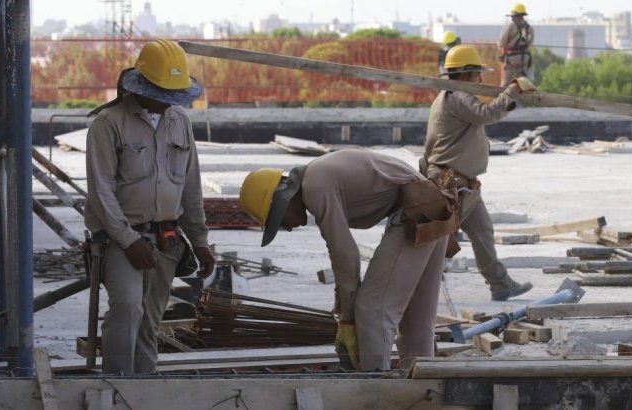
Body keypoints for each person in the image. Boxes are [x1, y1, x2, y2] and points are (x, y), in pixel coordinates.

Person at [239, 150, 459, 371]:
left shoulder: (316, 188)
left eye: (279, 221)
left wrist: (347, 319)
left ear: (283, 202)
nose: (286, 228)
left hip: (417, 212)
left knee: (373, 309)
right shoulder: (317, 175)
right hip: (433, 208)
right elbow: (343, 260)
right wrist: (343, 309)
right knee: (416, 322)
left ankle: (375, 390)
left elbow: (345, 255)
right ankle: (425, 389)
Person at [85, 39, 215, 375]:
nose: (168, 102)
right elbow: (101, 192)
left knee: (149, 322)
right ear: (141, 85)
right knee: (127, 309)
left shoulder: (180, 122)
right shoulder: (108, 124)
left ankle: (143, 388)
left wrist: (200, 241)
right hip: (120, 239)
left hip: (166, 240)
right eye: (162, 93)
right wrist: (129, 241)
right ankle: (116, 388)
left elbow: (190, 187)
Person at [422, 45, 536, 301]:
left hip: (463, 184)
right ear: (464, 74)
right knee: (437, 241)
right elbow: (488, 114)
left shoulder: (446, 96)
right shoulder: (458, 96)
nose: (480, 80)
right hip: (453, 184)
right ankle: (417, 287)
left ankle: (500, 284)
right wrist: (512, 91)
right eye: (476, 75)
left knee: (483, 233)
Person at [498, 3, 534, 87]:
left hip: (511, 59)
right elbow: (530, 43)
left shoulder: (510, 26)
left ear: (514, 15)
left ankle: (503, 99)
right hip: (525, 59)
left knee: (505, 84)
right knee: (522, 84)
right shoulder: (529, 27)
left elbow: (501, 43)